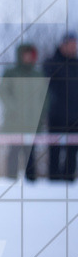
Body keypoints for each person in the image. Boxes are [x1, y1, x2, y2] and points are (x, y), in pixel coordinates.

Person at [0, 43, 46, 181]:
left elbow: (44, 97)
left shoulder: (38, 75)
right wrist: (14, 108)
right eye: (25, 54)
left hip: (32, 122)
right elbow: (2, 92)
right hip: (14, 121)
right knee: (13, 152)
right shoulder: (11, 73)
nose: (27, 57)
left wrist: (41, 115)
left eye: (30, 55)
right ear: (20, 55)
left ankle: (31, 183)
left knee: (31, 154)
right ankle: (10, 181)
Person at [44, 31, 78, 182]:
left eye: (75, 45)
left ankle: (68, 181)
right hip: (56, 115)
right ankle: (53, 182)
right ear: (63, 44)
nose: (73, 48)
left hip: (74, 116)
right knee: (55, 150)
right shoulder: (52, 62)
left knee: (72, 152)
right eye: (71, 44)